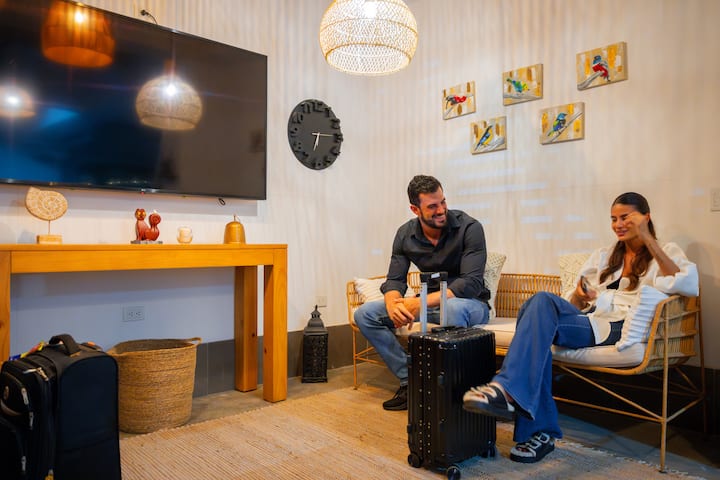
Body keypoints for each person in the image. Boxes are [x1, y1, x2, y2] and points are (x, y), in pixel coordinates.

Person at [462, 192, 699, 463]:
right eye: (613, 219)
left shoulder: (665, 251)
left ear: (645, 217)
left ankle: (515, 402)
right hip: (590, 320)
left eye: (625, 217)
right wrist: (579, 295)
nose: (618, 224)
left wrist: (648, 239)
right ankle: (521, 408)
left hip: (617, 326)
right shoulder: (605, 256)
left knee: (536, 321)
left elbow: (686, 283)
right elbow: (574, 305)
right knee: (539, 303)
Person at [355, 175, 492, 411]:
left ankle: (451, 391)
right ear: (415, 209)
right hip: (429, 303)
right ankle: (411, 380)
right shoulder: (404, 234)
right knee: (365, 314)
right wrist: (393, 304)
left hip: (470, 304)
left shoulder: (470, 228)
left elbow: (470, 283)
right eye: (432, 206)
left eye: (443, 202)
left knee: (453, 307)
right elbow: (395, 280)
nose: (441, 210)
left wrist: (419, 304)